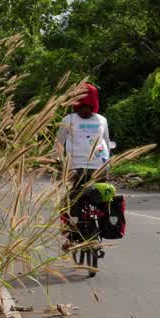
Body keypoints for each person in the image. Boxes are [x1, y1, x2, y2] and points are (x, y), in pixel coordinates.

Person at [55, 83, 113, 238]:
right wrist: (109, 163)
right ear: (95, 101)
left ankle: (72, 229)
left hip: (75, 168)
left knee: (72, 198)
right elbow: (107, 143)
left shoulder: (68, 119)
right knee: (103, 195)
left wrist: (58, 160)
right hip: (100, 167)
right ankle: (104, 220)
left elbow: (59, 144)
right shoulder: (102, 120)